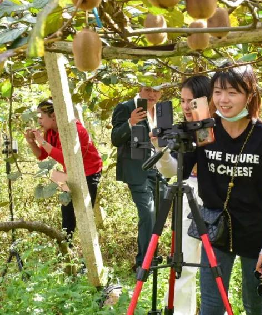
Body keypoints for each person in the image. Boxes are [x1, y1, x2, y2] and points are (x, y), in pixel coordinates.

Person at [196, 64, 262, 315]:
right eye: (218, 92)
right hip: (215, 227)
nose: (223, 99)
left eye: (232, 92)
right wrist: (161, 151)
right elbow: (176, 170)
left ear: (250, 95)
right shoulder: (205, 130)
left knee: (255, 304)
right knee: (211, 303)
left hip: (253, 229)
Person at [152, 75, 211, 315]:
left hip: (219, 202)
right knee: (183, 264)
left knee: (215, 266)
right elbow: (172, 171)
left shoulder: (220, 127)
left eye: (192, 101)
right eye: (183, 101)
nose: (186, 107)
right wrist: (160, 149)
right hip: (189, 197)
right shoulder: (183, 130)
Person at [25, 100, 103, 241]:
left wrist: (42, 140)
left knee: (84, 213)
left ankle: (89, 250)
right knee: (67, 210)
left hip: (89, 172)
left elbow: (65, 159)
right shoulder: (50, 132)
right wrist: (32, 142)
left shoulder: (73, 130)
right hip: (69, 173)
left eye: (41, 116)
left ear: (54, 116)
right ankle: (67, 248)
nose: (39, 120)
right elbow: (42, 155)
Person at [111, 85, 164, 271]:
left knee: (158, 216)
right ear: (140, 88)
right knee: (148, 214)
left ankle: (152, 257)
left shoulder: (161, 110)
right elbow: (115, 139)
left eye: (157, 91)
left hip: (160, 169)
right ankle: (143, 263)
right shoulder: (125, 108)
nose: (152, 94)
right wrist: (130, 122)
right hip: (137, 170)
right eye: (149, 89)